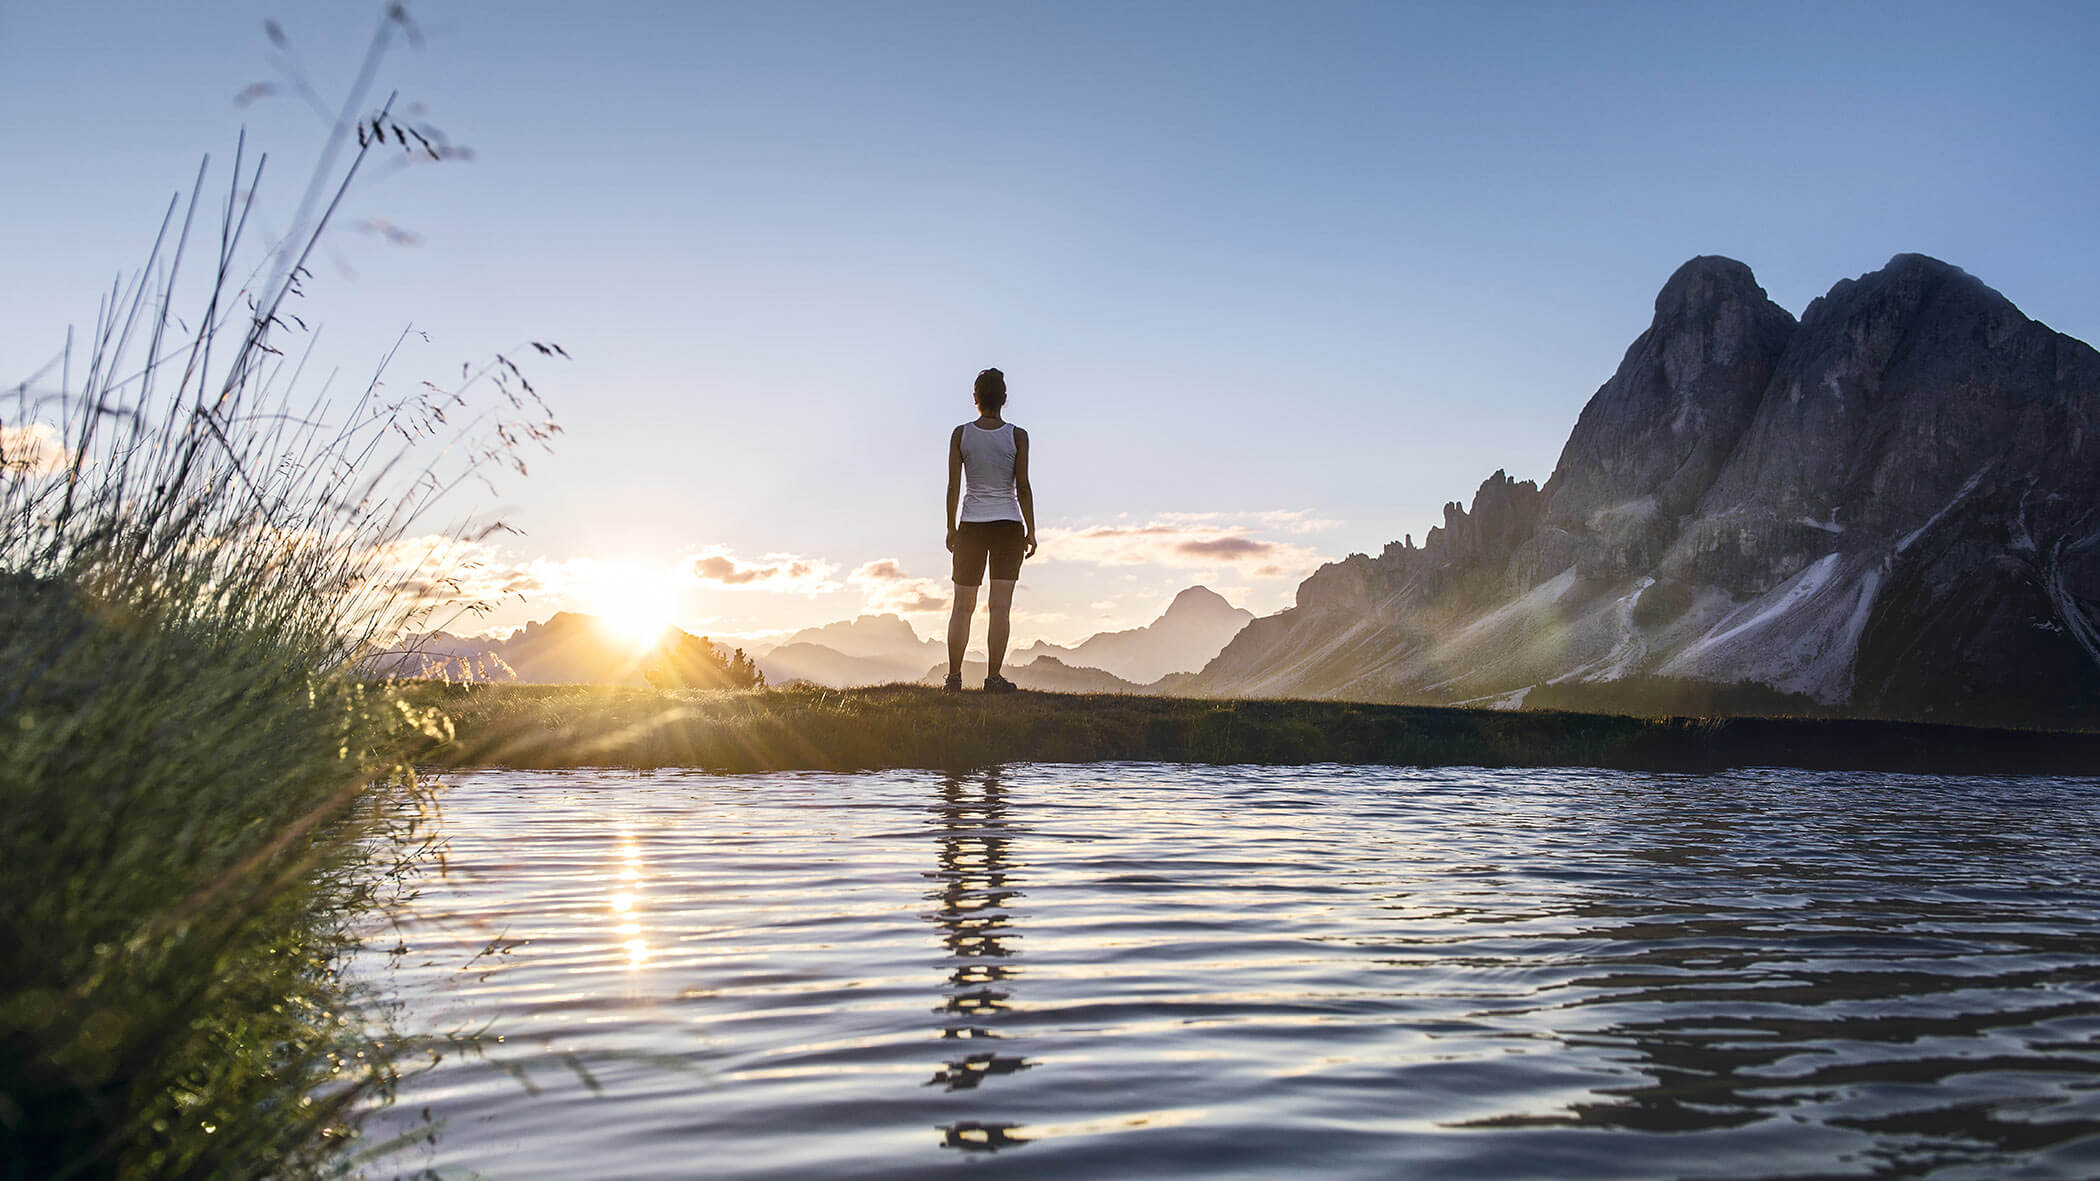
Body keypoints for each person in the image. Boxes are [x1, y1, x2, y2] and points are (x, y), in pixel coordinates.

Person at [944, 367, 1037, 692]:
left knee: (962, 606)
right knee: (1000, 607)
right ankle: (993, 679)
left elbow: (954, 486)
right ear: (1004, 399)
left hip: (971, 526)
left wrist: (951, 528)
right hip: (1009, 526)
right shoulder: (1017, 436)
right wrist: (1032, 530)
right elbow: (1022, 487)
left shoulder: (961, 434)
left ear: (975, 399)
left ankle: (954, 678)